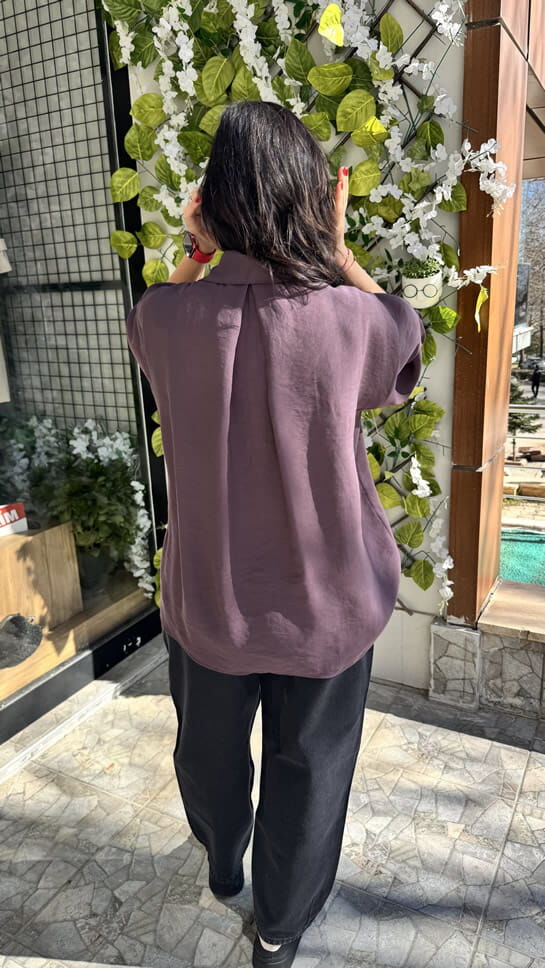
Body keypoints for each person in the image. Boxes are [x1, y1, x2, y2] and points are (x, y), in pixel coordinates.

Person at [126, 101, 426, 968]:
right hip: (329, 604)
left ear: (211, 198)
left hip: (210, 600)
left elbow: (155, 315)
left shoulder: (168, 319)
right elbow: (401, 341)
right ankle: (278, 928)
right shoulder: (350, 320)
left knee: (209, 759)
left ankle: (225, 863)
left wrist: (197, 251)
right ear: (312, 199)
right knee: (312, 772)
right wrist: (337, 249)